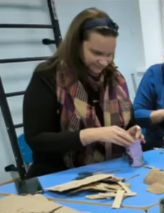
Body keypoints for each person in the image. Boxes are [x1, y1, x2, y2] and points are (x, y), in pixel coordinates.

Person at [23, 7, 142, 177]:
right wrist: (90, 135)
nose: (104, 62)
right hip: (59, 176)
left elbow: (129, 124)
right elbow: (37, 140)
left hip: (109, 173)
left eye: (110, 54)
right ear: (76, 45)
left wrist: (131, 133)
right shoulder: (47, 77)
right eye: (96, 53)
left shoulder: (115, 80)